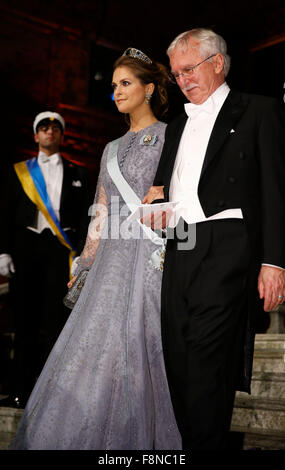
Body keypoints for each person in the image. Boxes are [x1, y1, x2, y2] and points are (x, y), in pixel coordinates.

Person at [9, 48, 181, 450]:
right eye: (114, 86)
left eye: (125, 84)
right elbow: (100, 213)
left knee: (143, 348)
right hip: (110, 261)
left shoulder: (172, 136)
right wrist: (85, 262)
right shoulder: (110, 149)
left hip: (152, 257)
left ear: (149, 88)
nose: (116, 92)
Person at [143, 28, 285, 450]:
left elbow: (277, 190)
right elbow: (166, 190)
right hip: (179, 248)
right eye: (176, 74)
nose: (182, 80)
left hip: (228, 247)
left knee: (207, 365)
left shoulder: (259, 111)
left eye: (189, 69)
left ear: (217, 63)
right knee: (179, 360)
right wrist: (156, 202)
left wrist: (275, 262)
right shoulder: (174, 127)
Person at [0, 112, 91, 408]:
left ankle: (52, 395)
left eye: (55, 127)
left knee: (56, 322)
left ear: (62, 135)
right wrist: (3, 252)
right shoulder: (18, 172)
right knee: (25, 319)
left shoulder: (79, 173)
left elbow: (85, 217)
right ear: (36, 135)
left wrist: (80, 253)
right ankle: (20, 391)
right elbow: (4, 214)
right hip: (26, 249)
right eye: (44, 127)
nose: (50, 131)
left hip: (60, 251)